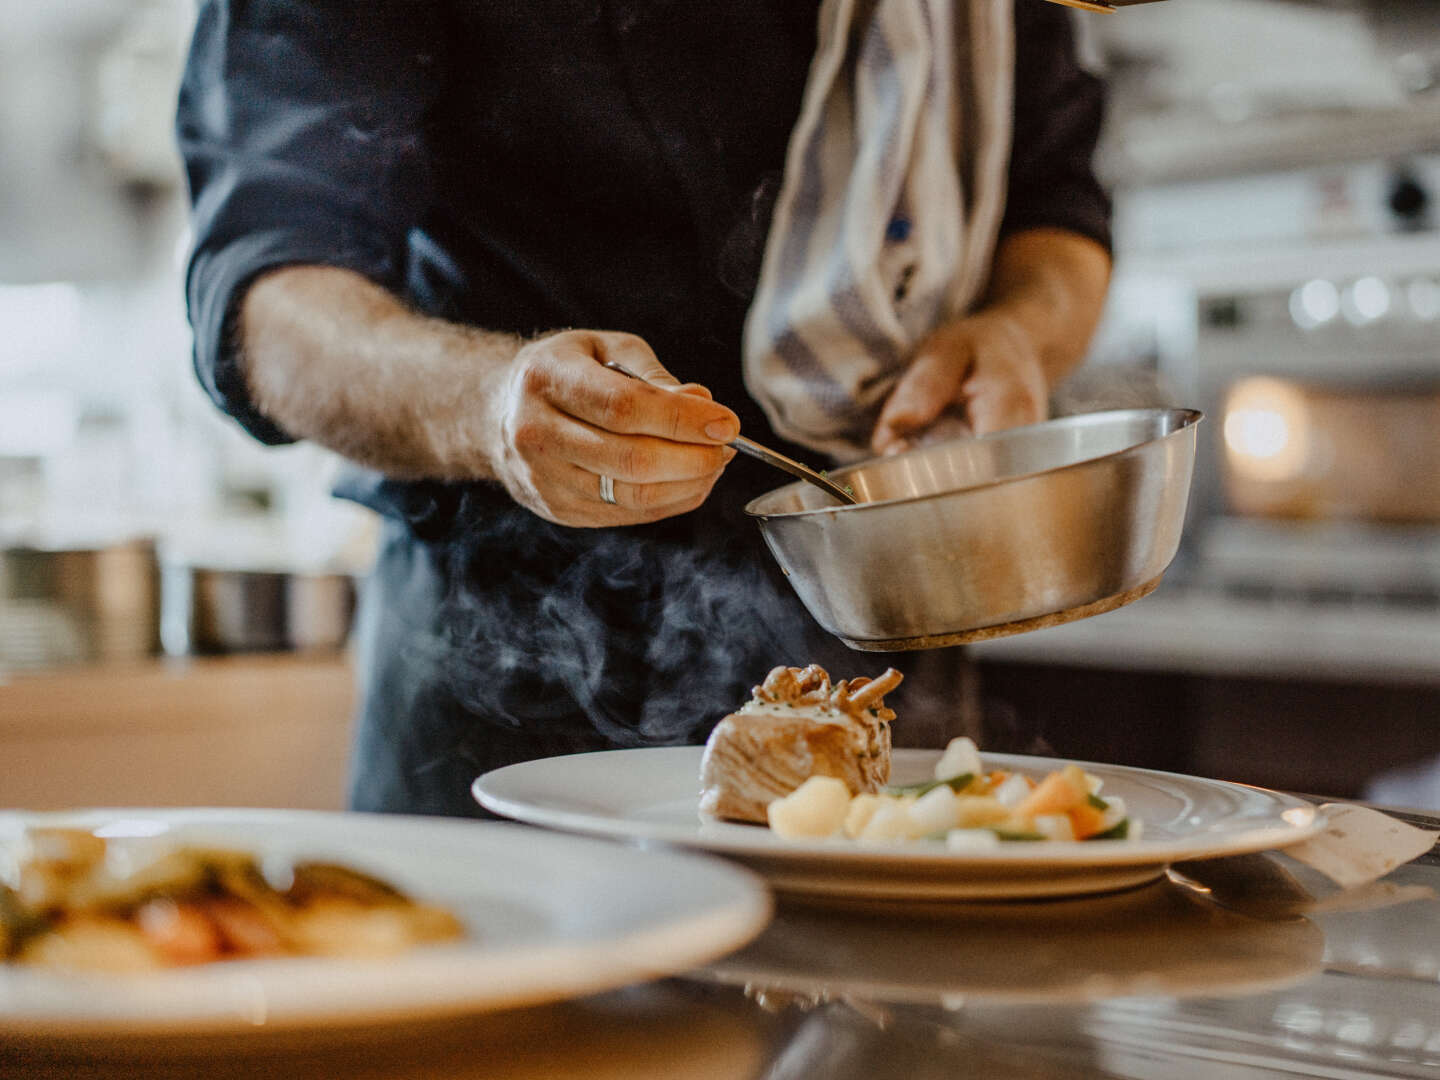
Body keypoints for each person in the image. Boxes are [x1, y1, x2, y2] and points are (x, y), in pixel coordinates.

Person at [177, 1, 1113, 817]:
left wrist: (1021, 331)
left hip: (888, 653)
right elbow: (274, 297)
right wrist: (491, 407)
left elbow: (1057, 207)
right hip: (512, 675)